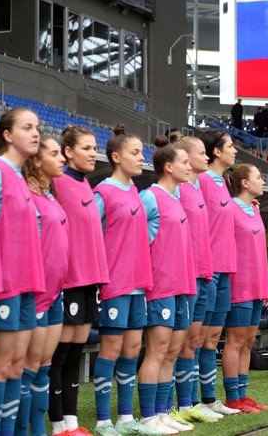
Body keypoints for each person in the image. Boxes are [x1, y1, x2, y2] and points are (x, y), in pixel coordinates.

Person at [91, 125, 155, 436]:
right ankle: (103, 420)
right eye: (135, 153)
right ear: (116, 157)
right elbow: (91, 237)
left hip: (139, 284)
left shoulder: (135, 193)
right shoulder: (102, 192)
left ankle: (126, 417)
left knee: (132, 350)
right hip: (115, 285)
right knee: (111, 350)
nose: (142, 158)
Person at [0, 108, 45, 436]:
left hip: (26, 287)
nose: (35, 133)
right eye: (27, 128)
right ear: (8, 135)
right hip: (4, 286)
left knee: (14, 367)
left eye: (37, 127)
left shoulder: (20, 178)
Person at [51, 125, 110, 436]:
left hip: (90, 281)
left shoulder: (86, 185)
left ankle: (71, 421)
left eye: (93, 148)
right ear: (68, 151)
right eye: (86, 148)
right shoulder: (57, 182)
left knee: (76, 351)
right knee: (59, 355)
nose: (92, 153)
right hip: (69, 279)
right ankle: (57, 422)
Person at [138, 137, 197, 434]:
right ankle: (147, 417)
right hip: (160, 287)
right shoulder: (149, 196)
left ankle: (162, 413)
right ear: (169, 166)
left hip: (182, 287)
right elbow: (137, 242)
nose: (189, 167)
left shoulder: (177, 198)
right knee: (157, 351)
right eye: (184, 162)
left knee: (172, 352)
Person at [17, 136, 67, 436]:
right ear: (36, 161)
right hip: (35, 296)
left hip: (55, 295)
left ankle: (39, 430)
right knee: (27, 368)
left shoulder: (50, 197)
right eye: (54, 153)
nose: (61, 158)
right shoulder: (26, 198)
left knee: (44, 367)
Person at [173, 135, 223, 424]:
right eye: (201, 153)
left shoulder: (196, 189)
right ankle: (183, 403)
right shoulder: (179, 191)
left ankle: (191, 402)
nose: (206, 158)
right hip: (188, 275)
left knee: (195, 340)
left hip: (205, 273)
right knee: (184, 342)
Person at [197, 130, 242, 416]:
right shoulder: (202, 180)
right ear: (216, 151)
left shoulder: (224, 182)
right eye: (230, 145)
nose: (235, 150)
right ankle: (192, 401)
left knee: (213, 338)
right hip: (208, 269)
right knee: (197, 338)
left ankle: (210, 399)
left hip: (225, 269)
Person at [221, 164, 268, 412]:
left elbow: (260, 252)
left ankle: (243, 394)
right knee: (235, 341)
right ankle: (232, 397)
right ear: (244, 183)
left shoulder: (254, 209)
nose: (263, 181)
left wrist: (265, 288)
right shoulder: (229, 208)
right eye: (259, 177)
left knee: (249, 341)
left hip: (256, 285)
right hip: (238, 284)